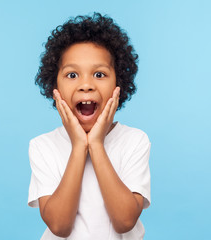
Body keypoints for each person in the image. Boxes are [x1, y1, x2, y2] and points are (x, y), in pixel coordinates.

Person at [28, 13, 151, 240]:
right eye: (72, 74)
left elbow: (124, 222)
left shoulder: (135, 140)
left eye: (99, 74)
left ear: (118, 85)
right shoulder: (42, 146)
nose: (86, 85)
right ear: (55, 87)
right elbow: (59, 226)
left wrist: (96, 144)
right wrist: (78, 147)